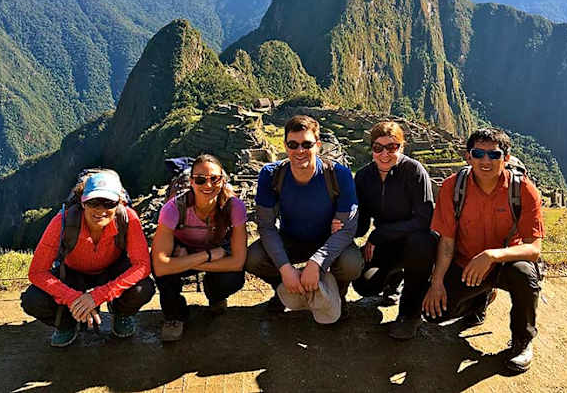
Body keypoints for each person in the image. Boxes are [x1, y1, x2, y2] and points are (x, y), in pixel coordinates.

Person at [423, 128, 544, 372]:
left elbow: (534, 249)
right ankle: (481, 299)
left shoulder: (522, 190)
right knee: (434, 315)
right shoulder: (453, 188)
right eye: (478, 154)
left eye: (494, 154)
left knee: (525, 274)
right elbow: (446, 243)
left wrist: (492, 255)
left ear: (506, 158)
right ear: (469, 157)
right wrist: (436, 283)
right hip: (467, 265)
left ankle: (522, 341)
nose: (485, 161)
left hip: (507, 263)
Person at [245, 115, 363, 321]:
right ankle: (285, 289)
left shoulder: (339, 175)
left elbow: (347, 229)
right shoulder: (271, 175)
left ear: (318, 145)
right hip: (291, 239)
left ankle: (336, 294)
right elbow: (266, 226)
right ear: (285, 146)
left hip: (328, 240)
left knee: (351, 263)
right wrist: (285, 269)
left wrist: (317, 262)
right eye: (293, 144)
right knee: (253, 258)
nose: (300, 151)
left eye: (307, 144)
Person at [21, 171, 155, 347]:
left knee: (143, 288)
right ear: (83, 202)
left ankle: (121, 313)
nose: (100, 210)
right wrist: (73, 298)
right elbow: (37, 272)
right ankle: (67, 323)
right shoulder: (63, 221)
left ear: (119, 203)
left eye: (109, 203)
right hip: (73, 273)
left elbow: (142, 265)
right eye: (93, 202)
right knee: (33, 300)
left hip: (111, 269)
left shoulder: (128, 219)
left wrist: (99, 296)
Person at [349, 121, 438, 339]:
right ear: (371, 149)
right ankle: (394, 278)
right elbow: (361, 222)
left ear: (401, 147)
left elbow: (424, 219)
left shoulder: (413, 171)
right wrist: (340, 226)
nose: (384, 154)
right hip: (388, 244)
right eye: (378, 148)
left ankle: (410, 314)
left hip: (415, 241)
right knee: (364, 284)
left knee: (421, 244)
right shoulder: (364, 177)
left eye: (392, 147)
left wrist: (379, 234)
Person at [151, 154, 247, 341]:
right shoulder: (173, 209)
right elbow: (160, 266)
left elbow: (237, 262)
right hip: (196, 249)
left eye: (214, 179)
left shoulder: (234, 207)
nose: (208, 185)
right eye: (200, 180)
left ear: (223, 180)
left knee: (233, 278)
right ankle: (174, 315)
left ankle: (215, 295)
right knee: (163, 275)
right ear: (191, 182)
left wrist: (183, 263)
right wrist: (208, 255)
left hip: (210, 250)